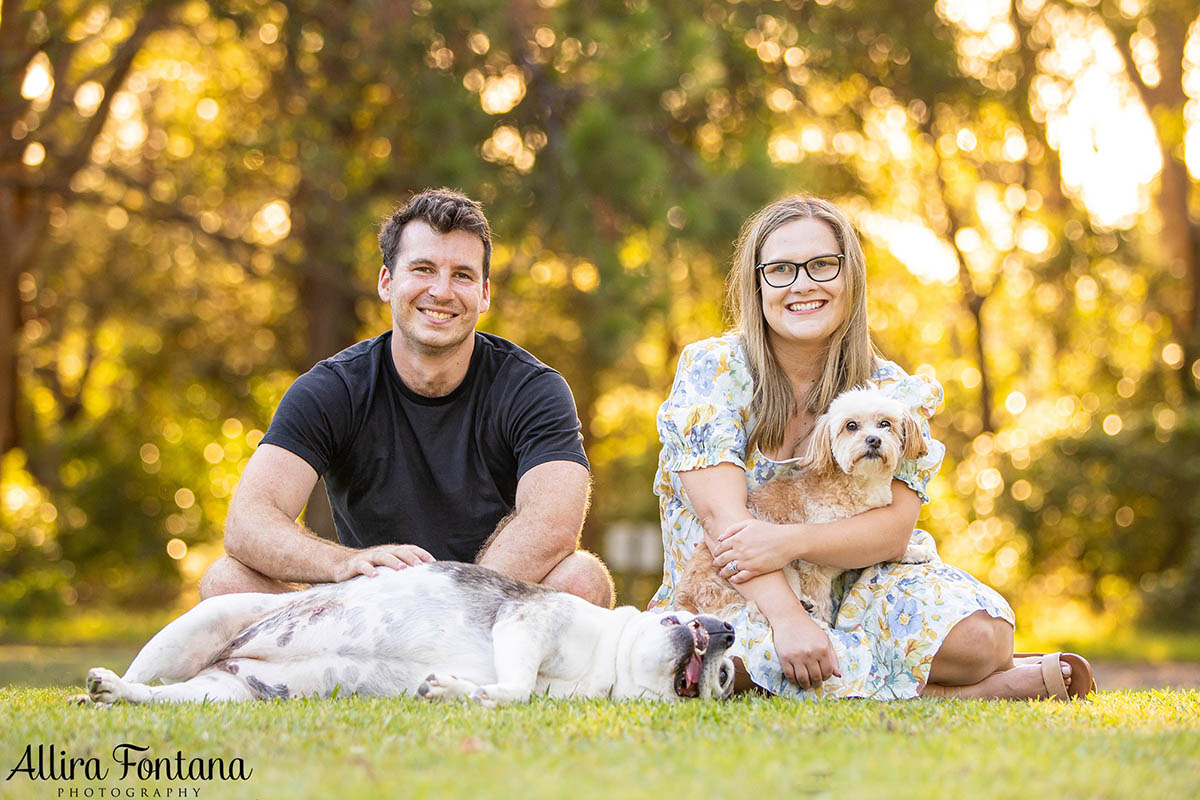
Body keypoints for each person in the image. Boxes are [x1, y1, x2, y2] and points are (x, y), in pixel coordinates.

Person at [649, 194, 1092, 699]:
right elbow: (727, 529)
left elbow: (891, 532)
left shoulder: (892, 391)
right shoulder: (714, 370)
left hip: (862, 587)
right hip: (739, 592)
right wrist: (791, 620)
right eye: (780, 270)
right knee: (726, 665)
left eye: (822, 265)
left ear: (849, 277)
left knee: (984, 638)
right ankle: (960, 693)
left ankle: (888, 668)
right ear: (757, 285)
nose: (803, 284)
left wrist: (791, 542)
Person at [200, 188, 613, 608]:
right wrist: (346, 564)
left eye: (463, 275)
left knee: (582, 578)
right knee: (226, 582)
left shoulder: (533, 389)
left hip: (483, 614)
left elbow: (554, 524)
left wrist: (447, 606)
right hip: (365, 615)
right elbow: (249, 522)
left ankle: (468, 672)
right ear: (387, 282)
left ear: (484, 294)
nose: (442, 291)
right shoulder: (331, 388)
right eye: (423, 269)